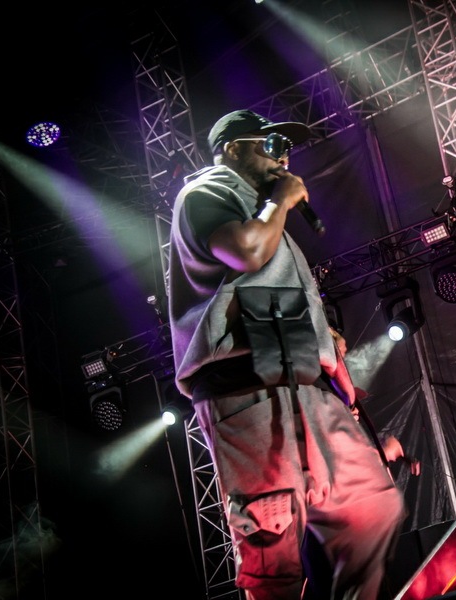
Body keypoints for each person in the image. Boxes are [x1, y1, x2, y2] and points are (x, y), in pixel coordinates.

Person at [167, 109, 406, 600]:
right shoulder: (205, 192)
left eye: (287, 149)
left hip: (303, 384)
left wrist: (325, 346)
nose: (284, 159)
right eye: (272, 145)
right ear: (234, 149)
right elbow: (245, 252)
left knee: (372, 506)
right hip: (246, 389)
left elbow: (266, 296)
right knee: (272, 545)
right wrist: (280, 199)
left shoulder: (266, 217)